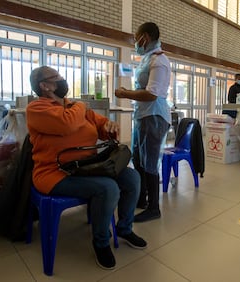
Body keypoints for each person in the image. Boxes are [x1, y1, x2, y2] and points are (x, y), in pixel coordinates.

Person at [26, 66, 146, 270]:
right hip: (55, 173)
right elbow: (67, 124)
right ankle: (100, 242)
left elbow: (99, 124)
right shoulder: (37, 109)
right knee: (108, 188)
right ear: (44, 86)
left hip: (87, 166)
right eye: (56, 78)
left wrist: (110, 127)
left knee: (132, 178)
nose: (62, 80)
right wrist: (81, 105)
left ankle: (124, 228)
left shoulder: (72, 106)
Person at [115, 22, 171, 222]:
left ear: (144, 38)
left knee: (150, 163)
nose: (135, 41)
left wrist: (124, 93)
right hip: (143, 116)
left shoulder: (159, 60)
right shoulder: (147, 58)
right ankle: (141, 198)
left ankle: (154, 208)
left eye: (136, 37)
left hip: (154, 116)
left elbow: (151, 94)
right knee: (138, 159)